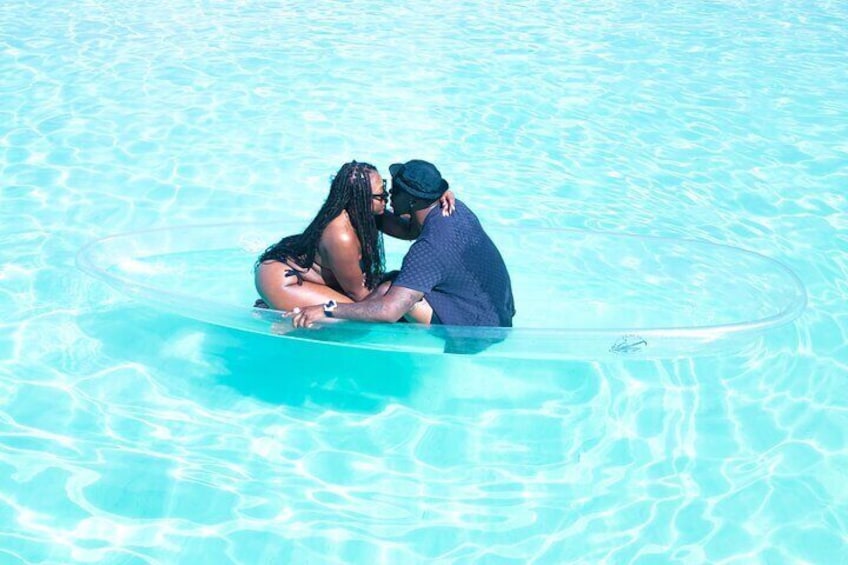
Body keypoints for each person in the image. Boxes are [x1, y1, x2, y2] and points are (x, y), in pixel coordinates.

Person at [290, 159, 515, 330]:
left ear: (411, 201)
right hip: (500, 312)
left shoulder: (428, 248)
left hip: (476, 331)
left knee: (393, 294)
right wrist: (441, 192)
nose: (389, 194)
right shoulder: (455, 210)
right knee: (396, 284)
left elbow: (388, 310)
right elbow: (409, 229)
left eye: (395, 189)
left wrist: (326, 310)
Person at [254, 160, 452, 320]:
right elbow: (360, 296)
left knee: (385, 294)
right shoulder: (341, 235)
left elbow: (411, 231)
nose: (387, 197)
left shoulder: (370, 214)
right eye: (380, 195)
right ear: (359, 198)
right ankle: (279, 315)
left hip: (326, 280)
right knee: (354, 319)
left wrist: (433, 195)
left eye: (384, 189)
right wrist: (396, 302)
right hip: (286, 280)